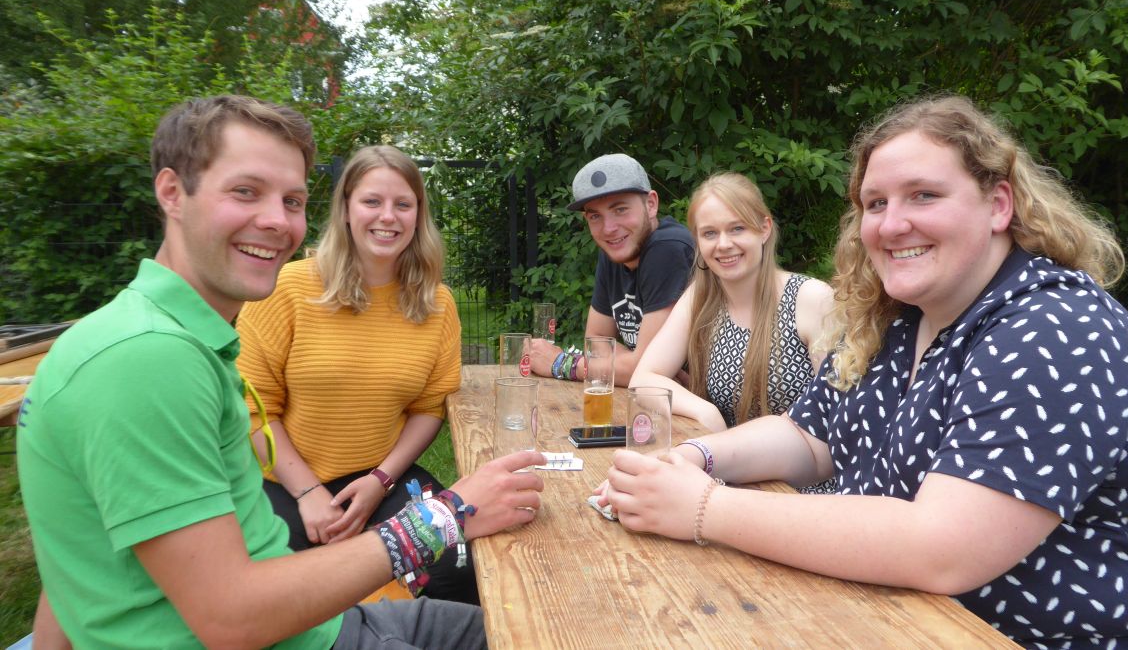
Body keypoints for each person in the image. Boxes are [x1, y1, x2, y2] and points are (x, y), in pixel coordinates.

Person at [602, 95, 1128, 647]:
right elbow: (811, 437)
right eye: (876, 204)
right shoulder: (899, 318)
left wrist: (704, 508)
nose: (891, 225)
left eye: (924, 196)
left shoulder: (1055, 330)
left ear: (998, 205)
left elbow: (942, 548)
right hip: (897, 622)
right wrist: (697, 457)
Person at [17, 95, 545, 649]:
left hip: (316, 622)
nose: (276, 220)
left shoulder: (180, 340)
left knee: (513, 630)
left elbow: (72, 558)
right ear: (171, 192)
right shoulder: (146, 360)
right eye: (245, 191)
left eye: (291, 200)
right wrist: (444, 516)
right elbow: (233, 620)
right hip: (287, 631)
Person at [236, 145, 477, 603]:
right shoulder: (288, 288)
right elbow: (252, 409)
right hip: (283, 481)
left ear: (418, 215)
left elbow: (428, 409)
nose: (388, 216)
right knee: (284, 594)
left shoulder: (436, 303)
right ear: (346, 209)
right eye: (372, 201)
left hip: (380, 477)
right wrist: (308, 493)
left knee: (458, 562)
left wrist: (380, 481)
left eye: (403, 204)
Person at [631, 172, 834, 440]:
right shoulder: (700, 298)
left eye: (737, 228)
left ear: (764, 229)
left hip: (801, 465)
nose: (724, 244)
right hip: (721, 458)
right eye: (710, 233)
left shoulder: (811, 299)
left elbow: (838, 412)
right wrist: (706, 412)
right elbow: (643, 380)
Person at [529, 153, 694, 387]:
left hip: (705, 405)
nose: (608, 229)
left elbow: (646, 368)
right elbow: (596, 340)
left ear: (651, 204)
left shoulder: (668, 248)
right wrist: (632, 365)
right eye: (595, 216)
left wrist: (563, 363)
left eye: (620, 210)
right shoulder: (617, 250)